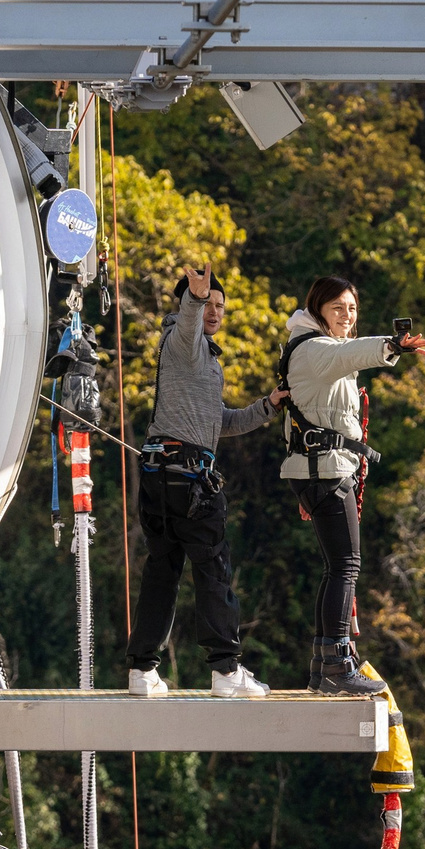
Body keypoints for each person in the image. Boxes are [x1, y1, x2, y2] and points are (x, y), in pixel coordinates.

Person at [125, 265, 285, 699]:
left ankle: (142, 670)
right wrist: (193, 300)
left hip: (161, 475)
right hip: (189, 481)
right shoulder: (183, 341)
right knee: (213, 570)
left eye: (219, 306)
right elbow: (189, 324)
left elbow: (220, 423)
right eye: (207, 303)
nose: (214, 311)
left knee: (163, 570)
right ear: (187, 306)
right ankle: (226, 671)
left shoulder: (201, 361)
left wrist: (268, 406)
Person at [278, 275, 425, 695]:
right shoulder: (314, 349)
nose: (346, 316)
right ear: (318, 310)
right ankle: (336, 664)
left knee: (337, 568)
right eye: (337, 309)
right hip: (324, 470)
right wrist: (392, 345)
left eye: (351, 309)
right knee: (346, 566)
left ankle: (323, 665)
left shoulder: (317, 349)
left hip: (323, 470)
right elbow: (353, 353)